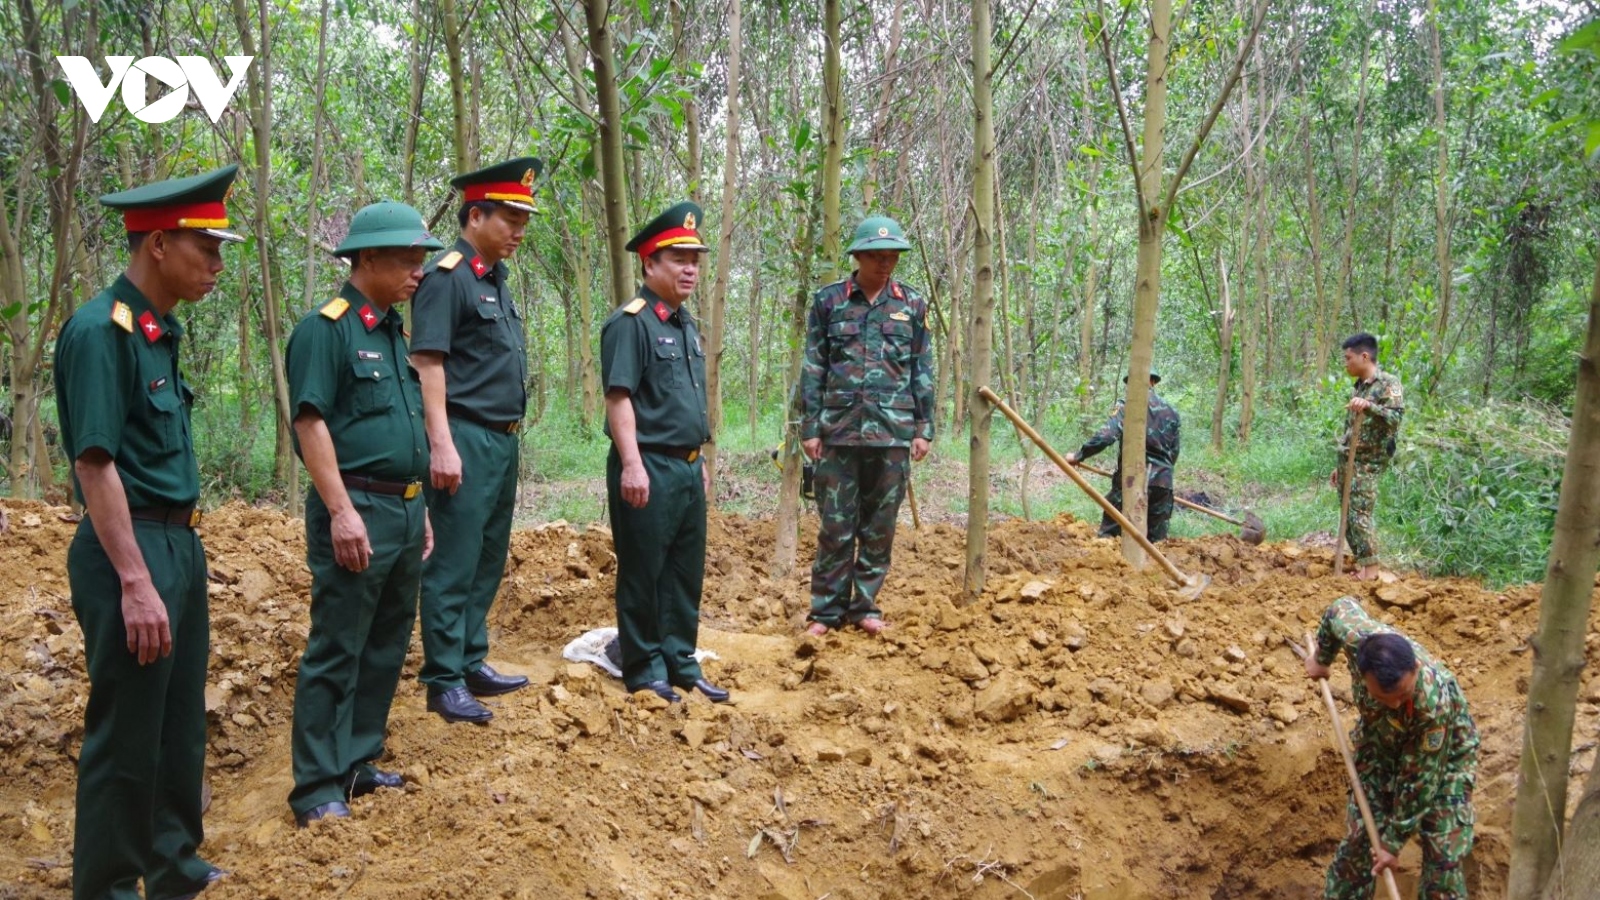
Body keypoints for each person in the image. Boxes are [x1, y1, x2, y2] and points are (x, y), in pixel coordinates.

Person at [54, 165, 244, 900]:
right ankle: (106, 884)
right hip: (127, 547)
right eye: (208, 249)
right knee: (128, 729)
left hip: (177, 543)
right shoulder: (102, 331)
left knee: (175, 722)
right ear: (159, 244)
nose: (218, 266)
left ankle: (173, 863)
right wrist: (134, 580)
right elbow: (96, 465)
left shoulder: (159, 332)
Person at [283, 202, 441, 827]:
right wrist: (341, 511)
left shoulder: (389, 332)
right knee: (338, 643)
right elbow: (309, 421)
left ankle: (356, 759)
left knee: (385, 641)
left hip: (401, 507)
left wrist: (419, 504)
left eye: (422, 259)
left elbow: (401, 428)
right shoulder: (327, 330)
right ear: (366, 259)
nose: (418, 271)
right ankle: (316, 785)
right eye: (407, 259)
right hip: (356, 508)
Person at [410, 157, 539, 723]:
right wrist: (440, 443)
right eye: (509, 218)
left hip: (501, 442)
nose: (518, 231)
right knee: (453, 560)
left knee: (487, 555)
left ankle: (470, 658)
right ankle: (442, 679)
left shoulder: (494, 279)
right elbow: (428, 363)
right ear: (475, 214)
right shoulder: (448, 276)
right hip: (463, 436)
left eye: (524, 221)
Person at [600, 201, 728, 704]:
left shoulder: (685, 325)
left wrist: (700, 463)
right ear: (650, 264)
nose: (690, 268)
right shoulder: (630, 323)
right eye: (678, 258)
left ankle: (681, 661)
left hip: (686, 467)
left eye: (695, 258)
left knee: (682, 571)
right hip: (647, 464)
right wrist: (632, 463)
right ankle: (644, 667)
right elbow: (619, 397)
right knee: (644, 571)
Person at [799, 216, 934, 638]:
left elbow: (922, 368)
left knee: (880, 528)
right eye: (878, 255)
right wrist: (809, 427)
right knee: (835, 527)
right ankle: (825, 613)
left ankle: (864, 607)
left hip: (893, 432)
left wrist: (923, 428)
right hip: (838, 430)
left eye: (893, 256)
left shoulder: (911, 304)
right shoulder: (829, 302)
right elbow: (813, 365)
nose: (886, 263)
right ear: (857, 255)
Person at [1305, 596, 1478, 899]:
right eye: (1387, 698)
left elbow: (1421, 780)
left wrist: (1392, 844)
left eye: (1403, 693)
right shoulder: (1358, 636)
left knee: (1443, 857)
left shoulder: (1431, 705)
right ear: (1363, 675)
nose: (1398, 704)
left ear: (1413, 669)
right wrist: (1322, 658)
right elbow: (1336, 609)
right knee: (1361, 843)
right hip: (1380, 743)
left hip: (1444, 760)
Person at [1065, 372, 1181, 541]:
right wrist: (1159, 473)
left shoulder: (1128, 405)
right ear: (1153, 382)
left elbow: (1106, 436)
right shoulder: (1172, 411)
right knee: (1156, 544)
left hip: (1132, 479)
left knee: (1109, 536)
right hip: (1163, 484)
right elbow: (1174, 453)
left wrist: (1079, 455)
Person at [1330, 332, 1403, 580]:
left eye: (1348, 358)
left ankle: (1371, 571)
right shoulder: (1359, 386)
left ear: (1364, 356)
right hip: (1351, 461)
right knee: (1348, 514)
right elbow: (1350, 429)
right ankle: (1363, 564)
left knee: (1360, 514)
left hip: (1369, 463)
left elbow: (1395, 418)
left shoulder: (1387, 384)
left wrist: (1369, 406)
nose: (1346, 363)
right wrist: (1341, 465)